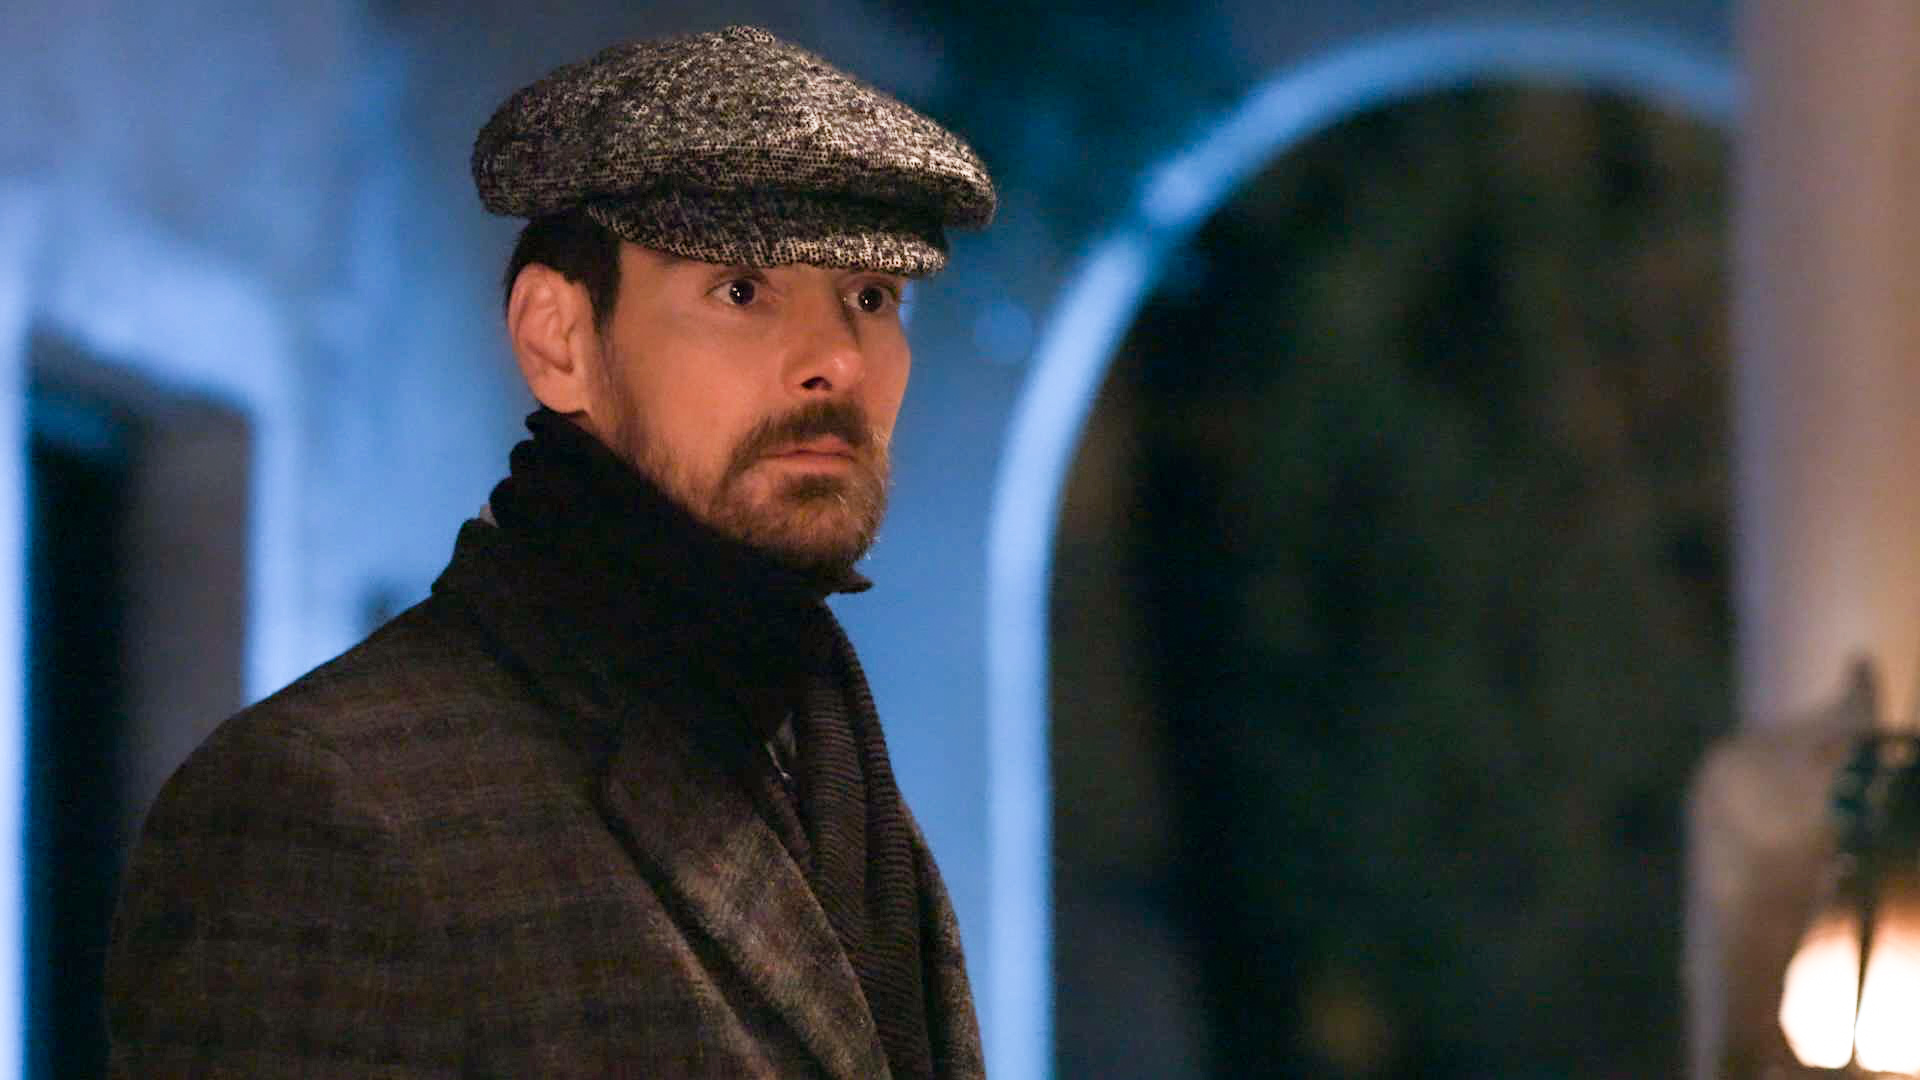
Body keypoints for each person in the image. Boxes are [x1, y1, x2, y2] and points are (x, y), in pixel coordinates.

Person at [104, 24, 995, 1079]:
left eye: (872, 298)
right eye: (741, 290)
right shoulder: (329, 802)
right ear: (557, 339)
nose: (837, 362)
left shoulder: (827, 763)